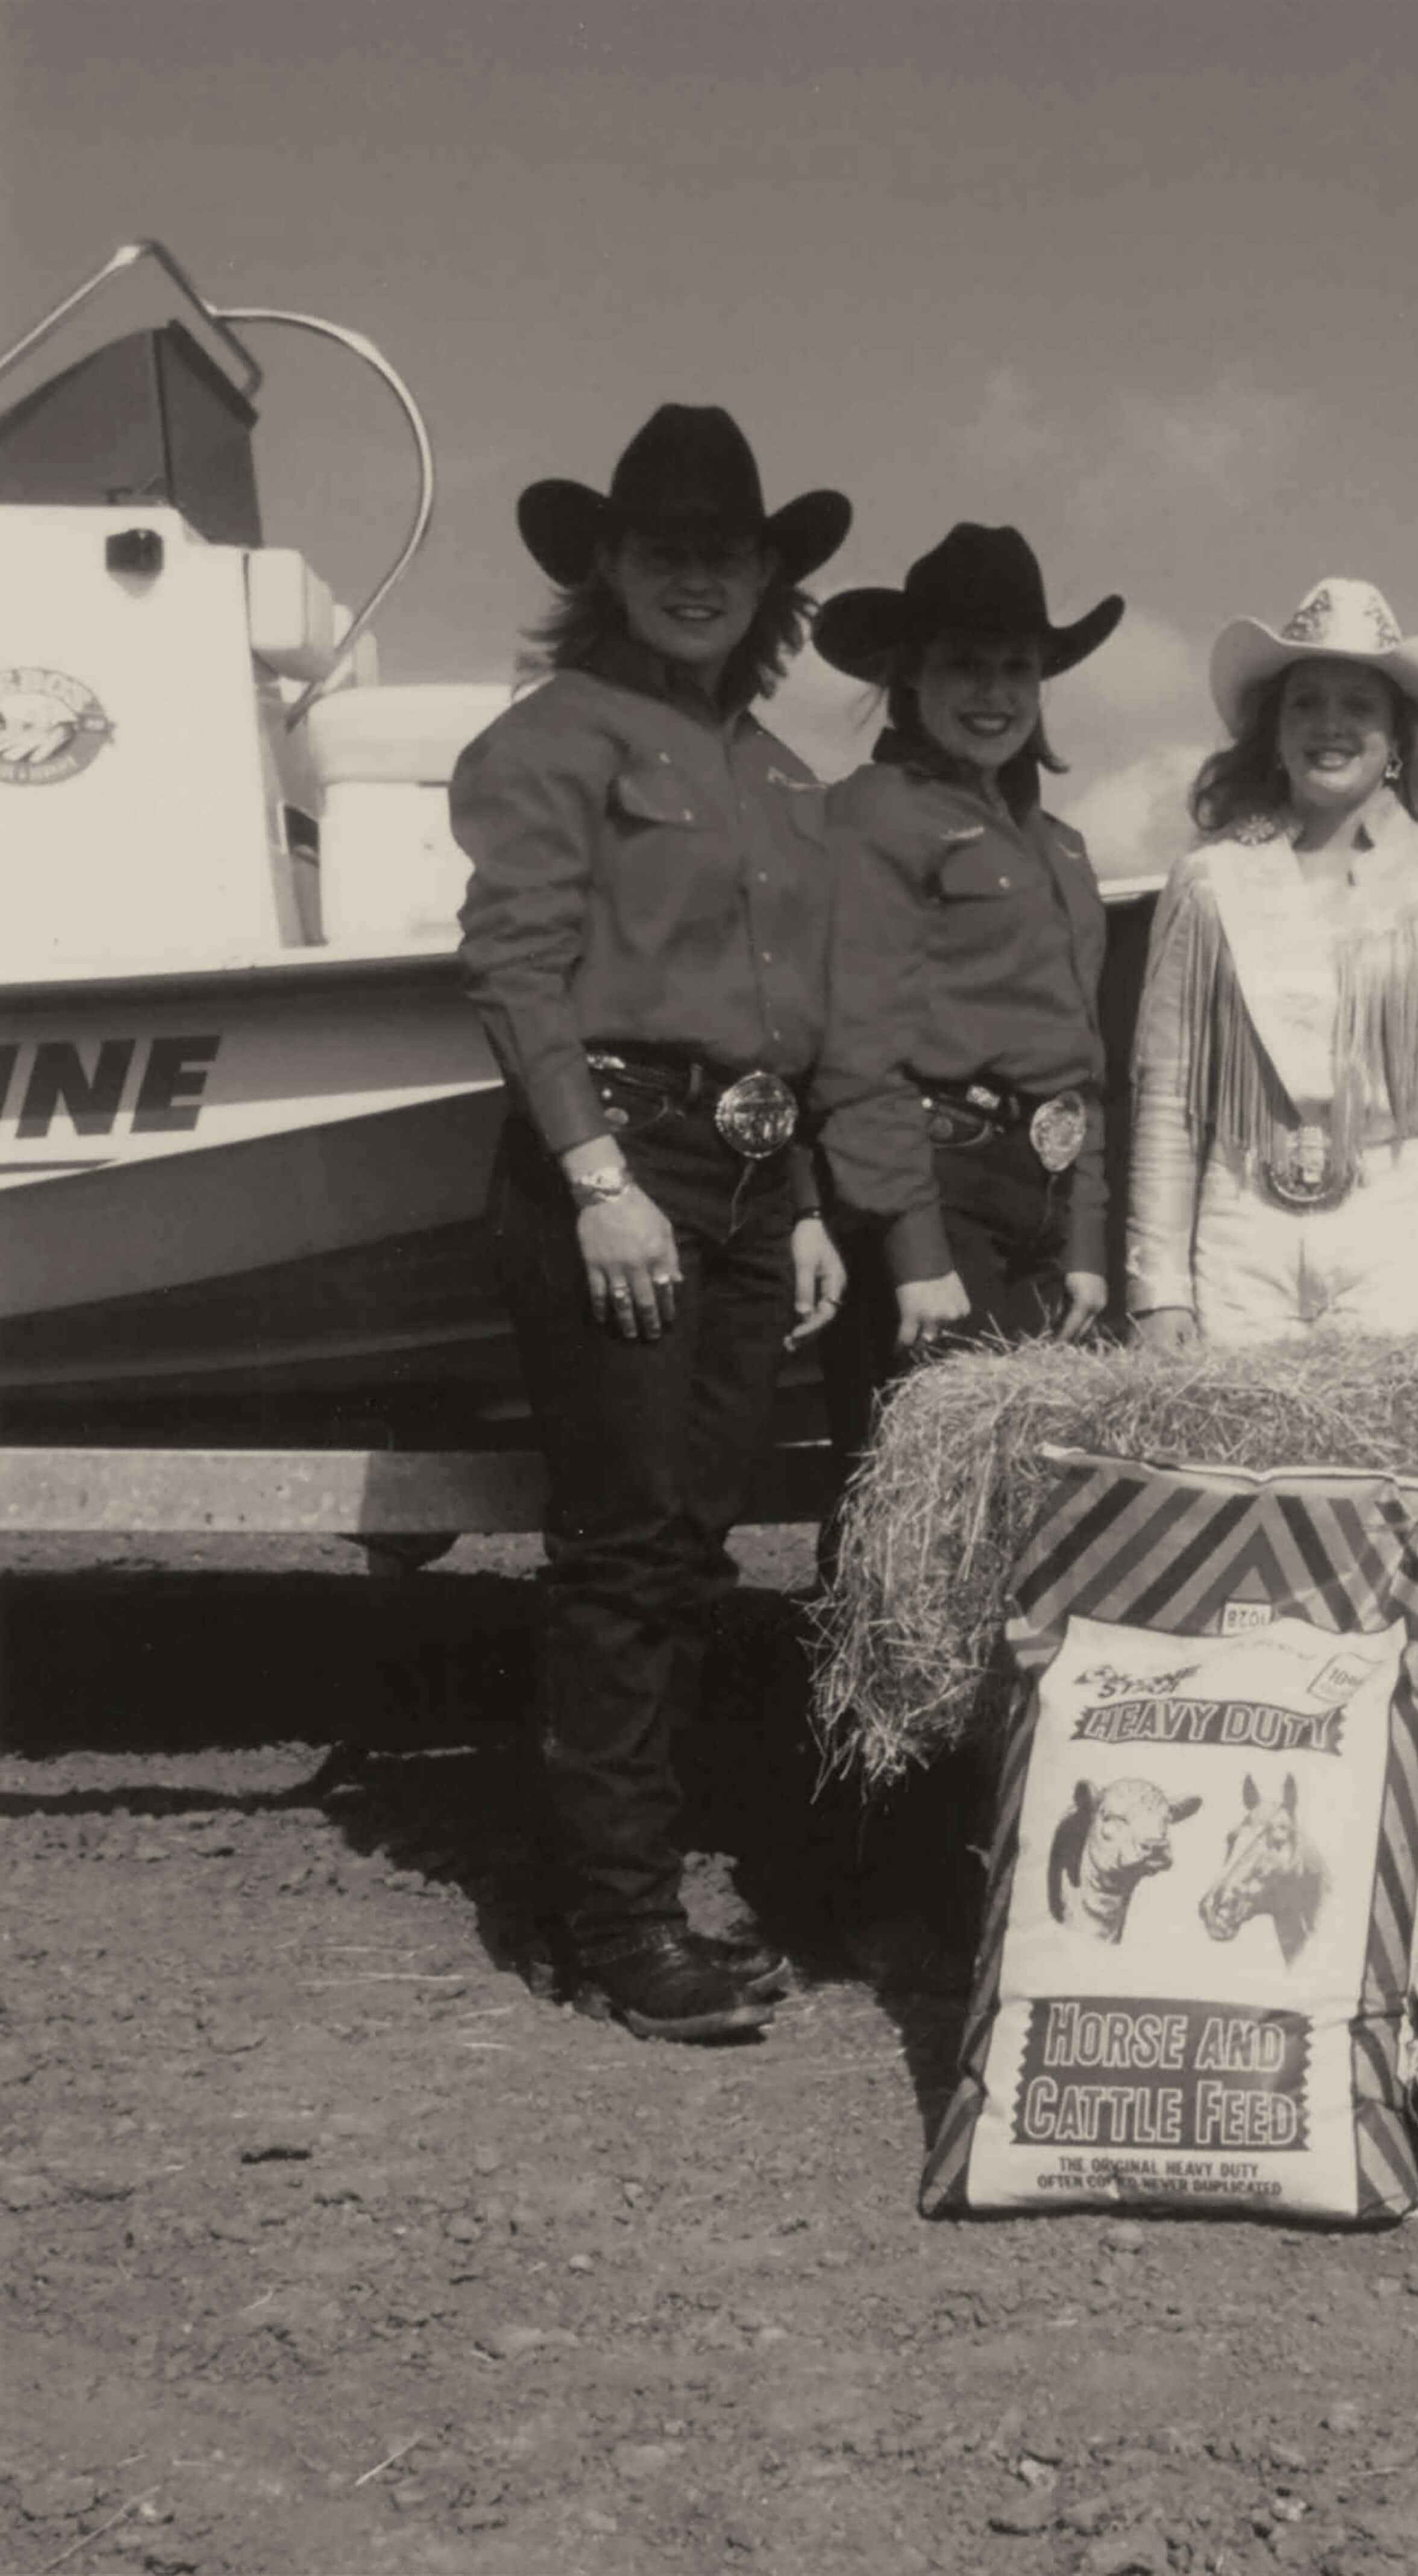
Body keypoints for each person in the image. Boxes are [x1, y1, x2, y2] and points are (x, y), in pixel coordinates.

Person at [453, 404, 852, 2042]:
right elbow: (513, 969)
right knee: (623, 1541)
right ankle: (611, 1918)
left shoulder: (780, 773)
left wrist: (809, 1199)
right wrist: (598, 1176)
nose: (700, 577)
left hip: (758, 1179)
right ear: (607, 566)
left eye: (729, 554)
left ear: (770, 582)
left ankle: (635, 1887)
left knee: (696, 1541)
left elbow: (793, 1012)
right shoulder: (551, 738)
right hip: (617, 1163)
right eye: (667, 550)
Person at [1126, 577, 1418, 1349]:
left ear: (1398, 739)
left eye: (1359, 705)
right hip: (1241, 1228)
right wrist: (1157, 1288)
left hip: (1402, 1222)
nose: (1330, 726)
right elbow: (1168, 1097)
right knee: (1233, 1465)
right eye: (1306, 703)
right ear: (1273, 734)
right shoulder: (1210, 883)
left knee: (1394, 1467)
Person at [811, 522, 1126, 1391]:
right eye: (964, 664)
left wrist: (1085, 1241)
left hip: (1045, 1202)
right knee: (911, 1500)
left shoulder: (1060, 847)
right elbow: (856, 1048)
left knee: (1034, 1494)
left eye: (1016, 667)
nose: (994, 693)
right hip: (933, 1187)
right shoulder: (874, 814)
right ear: (910, 674)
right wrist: (913, 1247)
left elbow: (1082, 1064)